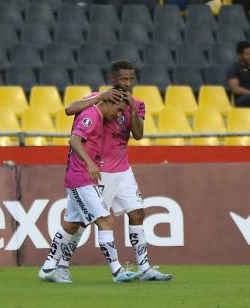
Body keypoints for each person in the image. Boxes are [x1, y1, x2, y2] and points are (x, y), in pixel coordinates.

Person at [60, 60, 173, 282]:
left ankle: (144, 268)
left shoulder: (137, 104)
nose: (128, 83)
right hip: (98, 171)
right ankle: (61, 266)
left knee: (138, 212)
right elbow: (69, 110)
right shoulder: (98, 97)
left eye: (131, 79)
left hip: (122, 170)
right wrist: (100, 97)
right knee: (80, 222)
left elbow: (139, 135)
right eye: (123, 79)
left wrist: (131, 107)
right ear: (113, 79)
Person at [38, 93, 138, 283]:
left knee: (71, 225)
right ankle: (117, 272)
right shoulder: (92, 115)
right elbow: (74, 140)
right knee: (105, 220)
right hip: (81, 178)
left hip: (80, 178)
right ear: (109, 102)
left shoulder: (96, 115)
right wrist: (90, 164)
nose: (118, 115)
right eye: (118, 110)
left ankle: (48, 268)